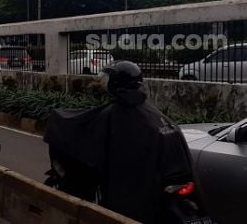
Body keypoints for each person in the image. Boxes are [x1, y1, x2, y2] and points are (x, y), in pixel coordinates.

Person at [43, 61, 194, 224]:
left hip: (134, 197)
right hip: (165, 183)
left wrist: (58, 120)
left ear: (114, 84)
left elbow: (84, 127)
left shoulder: (116, 115)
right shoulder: (153, 115)